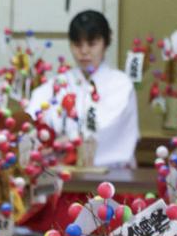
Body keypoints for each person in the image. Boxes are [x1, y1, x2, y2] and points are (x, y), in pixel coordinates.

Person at [27, 10, 139, 168]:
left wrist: (71, 140)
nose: (84, 51)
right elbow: (34, 115)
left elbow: (109, 125)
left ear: (105, 43)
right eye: (78, 44)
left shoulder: (120, 84)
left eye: (92, 44)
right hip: (62, 174)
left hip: (111, 175)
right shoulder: (60, 82)